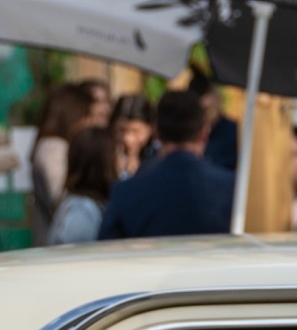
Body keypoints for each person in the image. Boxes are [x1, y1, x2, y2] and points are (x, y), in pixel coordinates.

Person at [97, 87, 234, 239]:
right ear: (204, 132)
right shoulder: (232, 188)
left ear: (156, 131)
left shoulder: (126, 193)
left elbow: (107, 248)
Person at [30, 78, 108, 240]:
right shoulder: (53, 148)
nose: (89, 121)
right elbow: (59, 196)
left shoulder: (57, 145)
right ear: (72, 115)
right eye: (86, 115)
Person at [48, 122, 122, 246]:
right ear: (105, 162)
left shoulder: (89, 205)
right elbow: (75, 254)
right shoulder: (82, 211)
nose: (123, 161)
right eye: (119, 153)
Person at [107, 92, 155, 178]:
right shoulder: (103, 154)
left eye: (136, 131)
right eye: (121, 130)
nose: (128, 139)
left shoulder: (160, 157)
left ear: (151, 129)